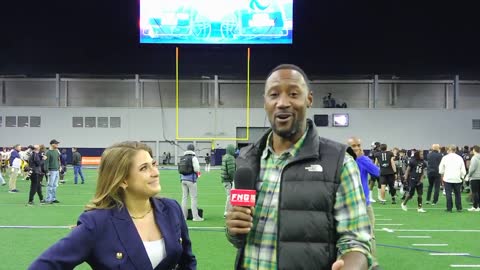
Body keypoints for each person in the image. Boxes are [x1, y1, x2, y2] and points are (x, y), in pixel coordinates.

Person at [226, 64, 372, 270]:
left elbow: (357, 243)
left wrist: (350, 265)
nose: (282, 103)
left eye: (293, 94)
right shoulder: (248, 160)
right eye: (274, 95)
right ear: (265, 102)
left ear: (309, 99)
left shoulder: (339, 163)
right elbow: (238, 238)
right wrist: (233, 230)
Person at [29, 141, 197, 269]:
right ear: (123, 180)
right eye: (144, 168)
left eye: (153, 164)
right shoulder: (96, 223)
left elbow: (187, 261)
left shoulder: (171, 209)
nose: (156, 172)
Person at [347, 137, 381, 270]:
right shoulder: (343, 160)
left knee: (370, 235)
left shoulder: (364, 160)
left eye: (358, 145)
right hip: (349, 205)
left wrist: (362, 158)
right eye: (353, 145)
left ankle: (373, 263)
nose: (356, 148)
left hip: (364, 204)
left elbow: (377, 172)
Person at [439, 145, 467, 212]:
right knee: (458, 194)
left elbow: (441, 170)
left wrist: (443, 174)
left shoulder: (445, 158)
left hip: (447, 178)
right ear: (455, 150)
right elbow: (463, 170)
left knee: (448, 194)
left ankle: (449, 208)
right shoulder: (459, 158)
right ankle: (459, 208)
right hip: (457, 179)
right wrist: (462, 177)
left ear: (449, 150)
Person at [179, 144, 203, 221]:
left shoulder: (182, 158)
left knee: (184, 198)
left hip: (183, 179)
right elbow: (197, 169)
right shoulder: (193, 158)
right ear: (193, 149)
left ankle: (184, 216)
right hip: (191, 180)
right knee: (193, 198)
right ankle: (195, 217)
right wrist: (198, 172)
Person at [221, 144, 236, 217]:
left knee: (230, 195)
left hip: (225, 179)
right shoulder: (230, 158)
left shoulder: (225, 157)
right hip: (228, 180)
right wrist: (234, 179)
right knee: (230, 196)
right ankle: (227, 212)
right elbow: (231, 171)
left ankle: (229, 211)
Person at [44, 139, 62, 203]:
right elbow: (46, 162)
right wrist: (47, 171)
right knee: (50, 185)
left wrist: (60, 166)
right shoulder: (48, 152)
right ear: (52, 144)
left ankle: (53, 198)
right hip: (51, 171)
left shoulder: (56, 151)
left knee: (55, 185)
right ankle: (48, 199)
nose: (57, 145)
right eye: (56, 143)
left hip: (56, 170)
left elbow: (58, 159)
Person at [466, 145, 480, 211]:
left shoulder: (474, 158)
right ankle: (478, 207)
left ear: (474, 150)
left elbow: (472, 168)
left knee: (475, 192)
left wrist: (468, 175)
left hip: (475, 177)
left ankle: (475, 206)